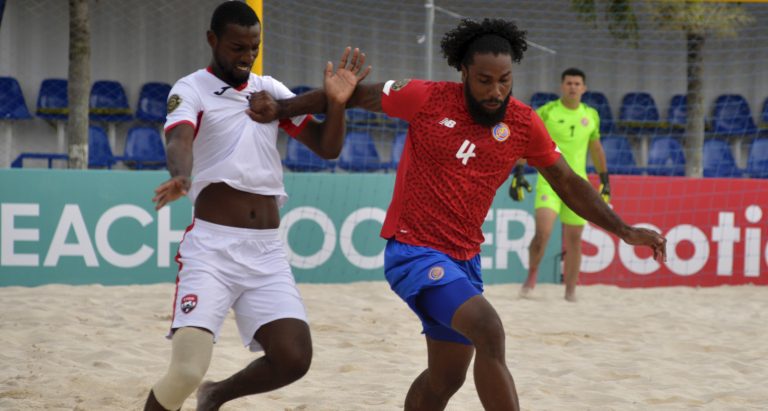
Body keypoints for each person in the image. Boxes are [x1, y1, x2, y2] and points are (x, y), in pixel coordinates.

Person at [248, 18, 666, 411]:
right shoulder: (426, 97)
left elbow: (568, 181)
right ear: (464, 73)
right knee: (489, 329)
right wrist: (282, 108)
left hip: (464, 258)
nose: (496, 91)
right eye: (484, 80)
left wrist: (624, 230)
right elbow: (350, 94)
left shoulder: (523, 123)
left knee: (445, 378)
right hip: (412, 251)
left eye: (505, 80)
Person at [143, 2, 369, 411]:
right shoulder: (190, 88)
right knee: (186, 372)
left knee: (293, 358)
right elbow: (179, 139)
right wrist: (181, 176)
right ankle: (198, 387)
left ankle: (215, 394)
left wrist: (336, 103)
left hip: (266, 252)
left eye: (254, 47)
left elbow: (327, 147)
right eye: (237, 47)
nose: (246, 56)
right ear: (212, 40)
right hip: (212, 250)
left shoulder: (271, 91)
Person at [511, 68, 609, 302]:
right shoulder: (547, 112)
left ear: (584, 88)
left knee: (575, 238)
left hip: (578, 184)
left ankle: (570, 291)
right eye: (569, 83)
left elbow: (596, 149)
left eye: (577, 83)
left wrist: (605, 180)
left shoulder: (591, 115)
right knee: (543, 233)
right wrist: (519, 172)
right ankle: (532, 275)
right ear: (561, 86)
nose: (573, 87)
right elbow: (527, 141)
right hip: (549, 180)